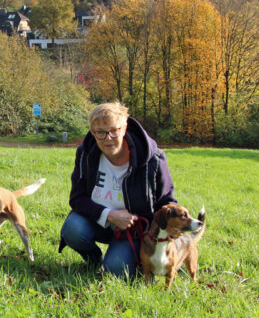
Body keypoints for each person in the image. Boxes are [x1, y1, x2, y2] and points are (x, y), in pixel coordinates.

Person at [59, 102, 177, 278]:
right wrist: (109, 215)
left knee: (116, 270)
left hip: (134, 231)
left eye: (114, 130)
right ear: (92, 132)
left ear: (124, 128)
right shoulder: (85, 154)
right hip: (97, 222)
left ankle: (128, 258)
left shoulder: (153, 159)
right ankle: (94, 259)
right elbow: (77, 198)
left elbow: (166, 201)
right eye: (100, 132)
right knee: (72, 229)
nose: (108, 138)